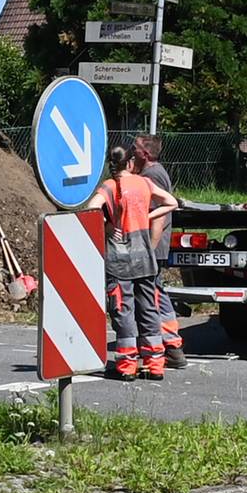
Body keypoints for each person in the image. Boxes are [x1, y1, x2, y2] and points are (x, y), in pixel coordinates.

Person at [81, 145, 179, 380]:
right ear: (130, 163)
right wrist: (148, 215)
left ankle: (126, 366)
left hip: (119, 261)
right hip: (145, 258)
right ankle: (155, 364)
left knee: (123, 311)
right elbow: (171, 202)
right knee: (149, 309)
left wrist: (107, 224)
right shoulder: (143, 183)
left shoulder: (110, 186)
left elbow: (89, 209)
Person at [132, 135, 186, 365]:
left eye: (134, 148)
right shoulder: (150, 173)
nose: (131, 151)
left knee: (155, 294)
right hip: (152, 246)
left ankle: (171, 346)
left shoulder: (152, 175)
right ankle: (169, 345)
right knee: (155, 292)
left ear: (144, 153)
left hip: (153, 246)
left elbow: (157, 217)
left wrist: (149, 250)